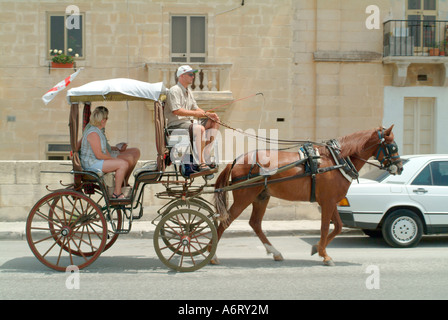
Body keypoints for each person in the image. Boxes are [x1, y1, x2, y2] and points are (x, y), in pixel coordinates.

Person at [164, 65, 220, 171]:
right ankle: (201, 162)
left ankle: (206, 155)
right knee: (200, 129)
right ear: (182, 76)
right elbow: (177, 111)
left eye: (193, 74)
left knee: (215, 121)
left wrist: (207, 114)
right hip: (176, 125)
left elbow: (196, 108)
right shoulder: (174, 90)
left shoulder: (188, 91)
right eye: (190, 74)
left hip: (189, 123)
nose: (193, 77)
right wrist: (196, 114)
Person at [80, 106, 133, 200]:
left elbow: (103, 151)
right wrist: (114, 159)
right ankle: (117, 193)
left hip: (95, 161)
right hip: (92, 163)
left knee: (122, 162)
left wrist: (114, 155)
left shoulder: (97, 131)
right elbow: (99, 155)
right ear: (103, 120)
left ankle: (120, 187)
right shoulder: (93, 133)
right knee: (123, 164)